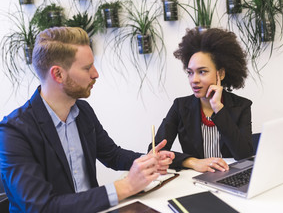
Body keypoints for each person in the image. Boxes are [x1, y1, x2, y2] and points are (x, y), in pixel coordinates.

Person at [0, 27, 175, 213]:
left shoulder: (82, 111)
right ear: (58, 74)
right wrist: (125, 187)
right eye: (87, 67)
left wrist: (146, 160)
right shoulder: (13, 132)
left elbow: (112, 155)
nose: (95, 74)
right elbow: (41, 207)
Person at [149, 27, 253, 173]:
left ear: (221, 73)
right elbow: (156, 152)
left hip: (232, 177)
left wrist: (218, 107)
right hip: (194, 179)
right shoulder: (180, 106)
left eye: (202, 72)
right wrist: (192, 162)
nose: (194, 80)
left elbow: (244, 155)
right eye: (190, 73)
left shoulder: (241, 106)